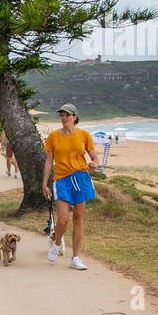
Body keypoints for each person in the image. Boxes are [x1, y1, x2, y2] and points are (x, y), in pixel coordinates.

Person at [42, 103, 99, 271]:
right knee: (62, 219)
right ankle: (57, 242)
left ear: (75, 117)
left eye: (67, 115)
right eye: (61, 115)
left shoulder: (84, 135)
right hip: (61, 180)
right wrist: (44, 183)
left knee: (78, 218)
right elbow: (48, 161)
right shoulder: (53, 136)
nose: (64, 118)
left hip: (81, 178)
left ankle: (75, 258)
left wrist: (94, 164)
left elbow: (95, 157)